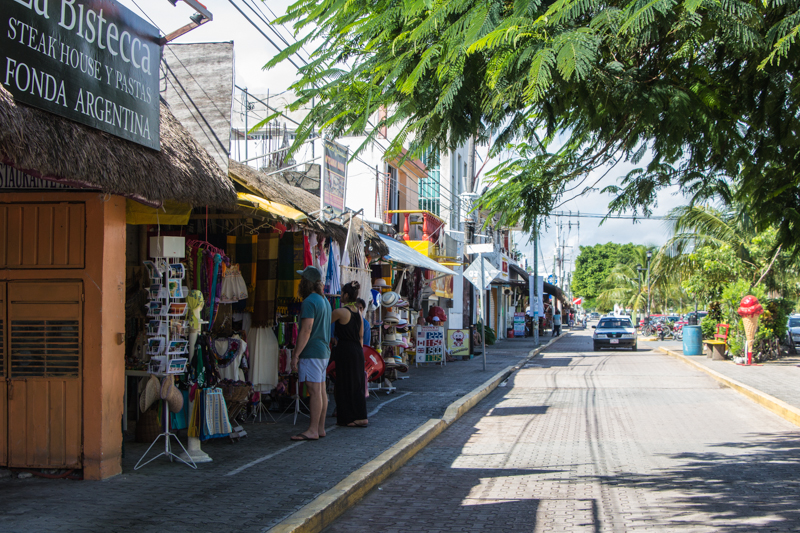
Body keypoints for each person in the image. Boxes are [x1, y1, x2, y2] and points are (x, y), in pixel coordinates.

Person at [290, 266, 332, 441]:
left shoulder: (309, 301)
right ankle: (320, 428)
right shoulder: (325, 301)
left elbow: (306, 330)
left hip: (312, 351)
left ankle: (313, 429)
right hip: (323, 351)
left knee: (314, 391)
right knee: (321, 390)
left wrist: (296, 354)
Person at [330, 281, 368, 427]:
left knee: (344, 384)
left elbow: (324, 322)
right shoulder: (358, 313)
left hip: (345, 349)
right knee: (357, 384)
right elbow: (361, 336)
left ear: (346, 295)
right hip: (357, 351)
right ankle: (361, 416)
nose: (340, 296)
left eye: (341, 293)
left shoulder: (340, 312)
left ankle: (348, 417)